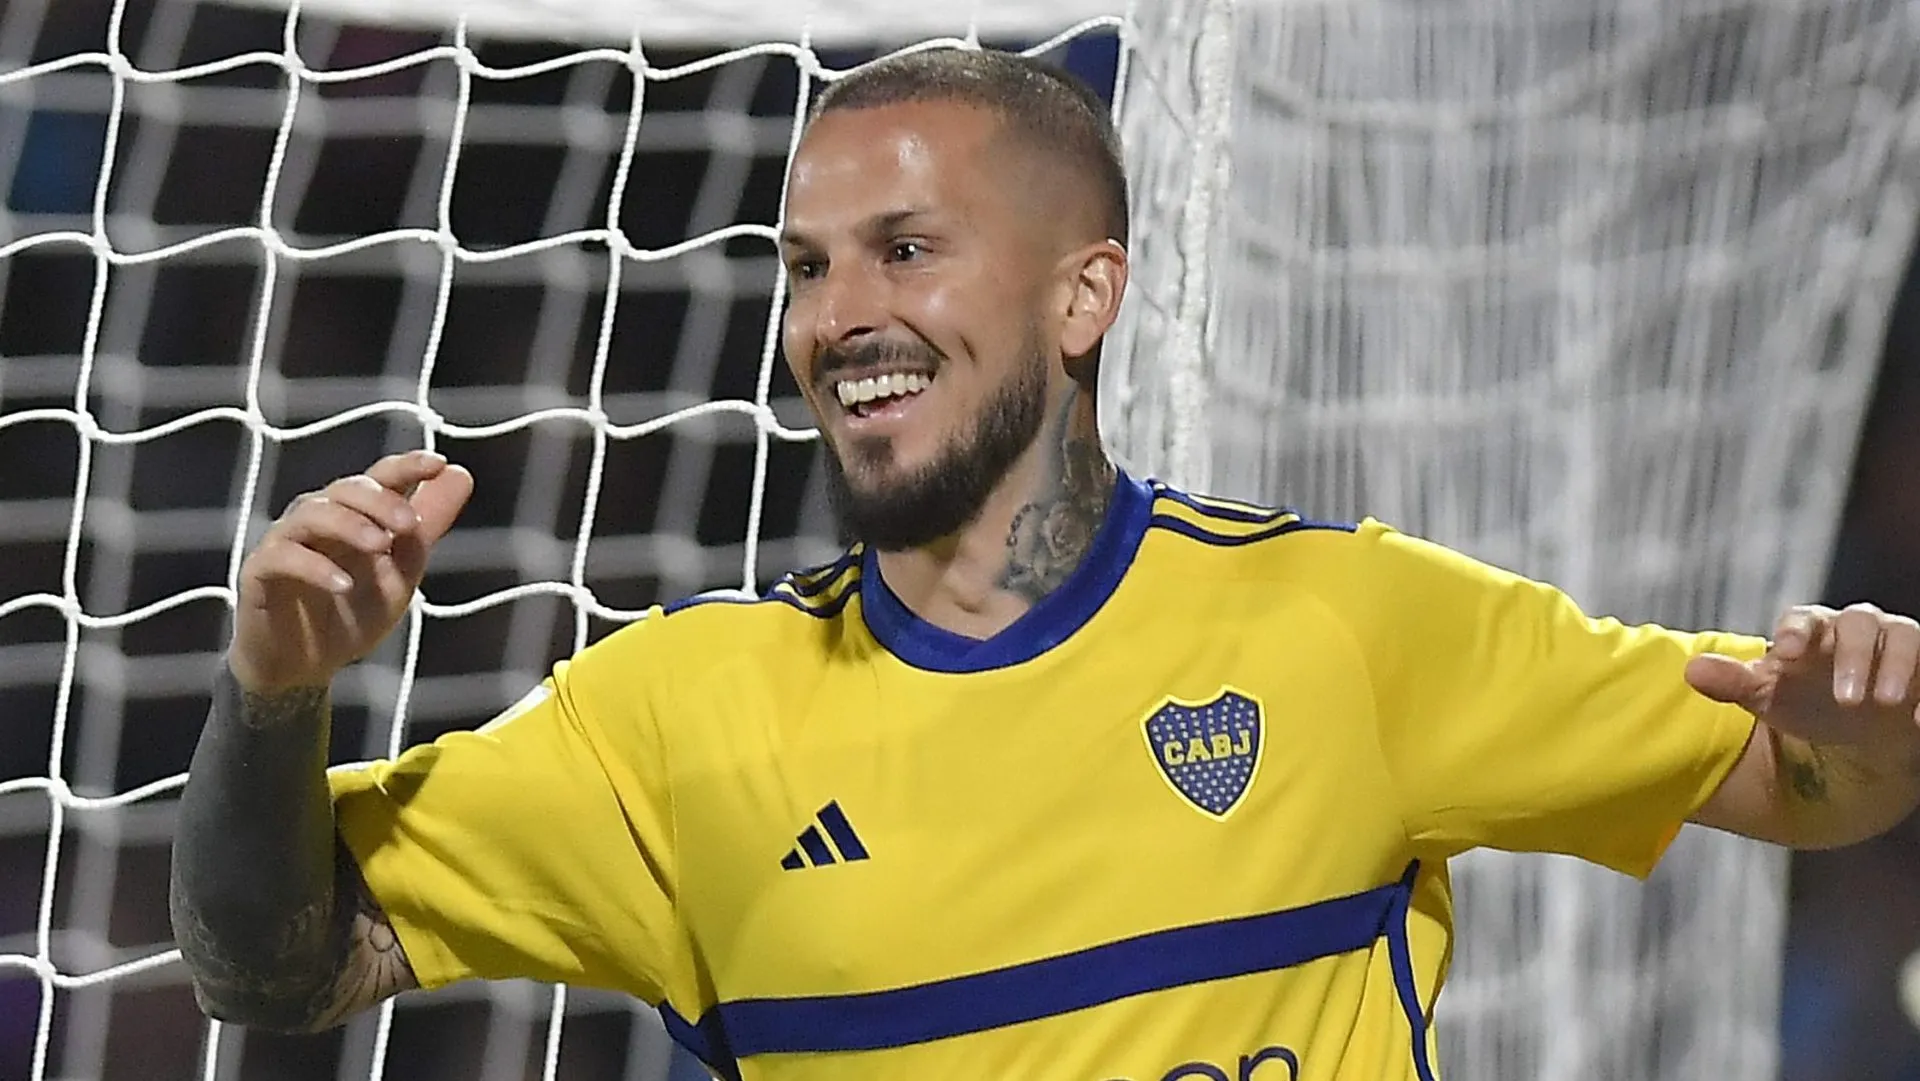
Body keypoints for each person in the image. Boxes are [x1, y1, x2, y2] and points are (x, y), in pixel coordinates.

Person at [169, 49, 1920, 1081]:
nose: (840, 316)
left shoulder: (1343, 627)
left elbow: (1805, 785)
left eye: (906, 250)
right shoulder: (674, 723)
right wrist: (274, 690)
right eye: (808, 267)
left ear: (1084, 297)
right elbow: (267, 967)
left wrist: (1870, 727)